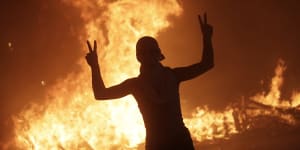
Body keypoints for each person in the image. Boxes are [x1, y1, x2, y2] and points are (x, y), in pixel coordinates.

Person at [85, 13, 214, 150]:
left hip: (177, 142)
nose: (148, 56)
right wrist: (94, 66)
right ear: (140, 57)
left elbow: (206, 64)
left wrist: (207, 38)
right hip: (160, 144)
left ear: (158, 55)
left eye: (151, 52)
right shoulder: (138, 84)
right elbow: (101, 94)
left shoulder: (171, 76)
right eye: (145, 52)